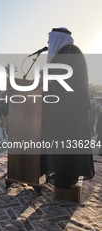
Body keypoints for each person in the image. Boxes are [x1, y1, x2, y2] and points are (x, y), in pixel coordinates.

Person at [41, 27, 95, 189]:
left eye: (50, 39)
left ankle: (66, 177)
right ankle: (65, 174)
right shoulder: (70, 52)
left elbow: (63, 82)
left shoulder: (68, 53)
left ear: (58, 38)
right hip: (66, 108)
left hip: (68, 110)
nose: (49, 43)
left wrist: (46, 79)